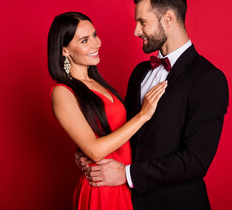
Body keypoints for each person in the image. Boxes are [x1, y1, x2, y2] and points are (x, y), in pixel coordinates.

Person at [81, 0, 229, 209]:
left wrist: (127, 175)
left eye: (142, 22)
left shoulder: (208, 79)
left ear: (168, 19)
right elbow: (126, 133)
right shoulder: (140, 73)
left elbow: (196, 161)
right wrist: (90, 150)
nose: (136, 31)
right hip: (129, 203)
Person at [47, 12, 167, 210]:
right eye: (85, 40)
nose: (96, 43)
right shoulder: (62, 92)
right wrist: (143, 116)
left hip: (124, 183)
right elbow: (95, 151)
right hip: (102, 189)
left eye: (95, 35)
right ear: (65, 51)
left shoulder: (97, 83)